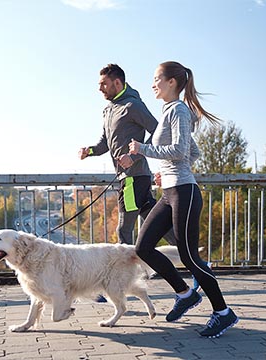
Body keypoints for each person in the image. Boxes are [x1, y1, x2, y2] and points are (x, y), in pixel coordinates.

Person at [129, 61, 239, 338]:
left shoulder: (178, 109)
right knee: (143, 247)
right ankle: (185, 293)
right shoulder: (170, 111)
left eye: (157, 79)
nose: (153, 84)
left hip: (184, 192)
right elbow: (193, 152)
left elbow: (179, 149)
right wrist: (165, 173)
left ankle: (223, 313)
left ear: (172, 83)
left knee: (190, 257)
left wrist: (143, 149)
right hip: (170, 190)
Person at [79, 63, 178, 248]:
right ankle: (191, 256)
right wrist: (89, 151)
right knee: (155, 222)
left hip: (133, 178)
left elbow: (158, 132)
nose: (99, 88)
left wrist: (133, 155)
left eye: (103, 84)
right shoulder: (109, 110)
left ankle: (128, 274)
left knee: (124, 231)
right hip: (129, 178)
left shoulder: (132, 106)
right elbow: (104, 144)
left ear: (117, 82)